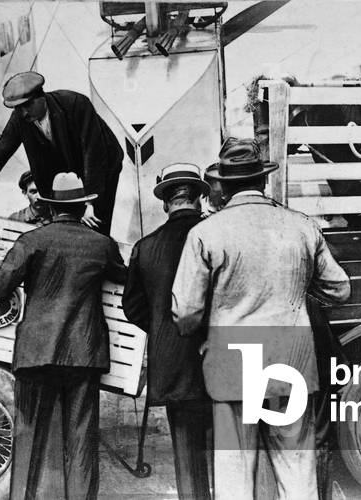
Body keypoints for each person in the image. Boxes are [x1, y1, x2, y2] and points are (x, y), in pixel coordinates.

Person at [172, 138, 351, 500]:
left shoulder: (205, 234)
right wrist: (298, 293)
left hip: (232, 368)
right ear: (264, 181)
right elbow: (339, 290)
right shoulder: (302, 227)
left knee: (235, 475)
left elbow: (185, 312)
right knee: (297, 470)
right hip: (292, 363)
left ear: (223, 185)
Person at [0, 172, 127, 500]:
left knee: (28, 437)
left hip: (36, 352)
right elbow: (126, 278)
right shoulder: (101, 244)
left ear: (49, 207)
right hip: (83, 352)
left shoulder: (31, 240)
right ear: (82, 207)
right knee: (81, 441)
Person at [0, 71, 124, 236]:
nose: (23, 113)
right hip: (63, 169)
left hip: (102, 167)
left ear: (42, 97)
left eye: (27, 106)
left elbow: (94, 156)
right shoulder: (20, 119)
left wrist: (90, 204)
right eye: (18, 108)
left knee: (95, 224)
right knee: (65, 224)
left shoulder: (75, 103)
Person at [123, 163, 213, 500]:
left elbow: (133, 306)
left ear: (165, 202)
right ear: (200, 197)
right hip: (218, 357)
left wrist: (164, 326)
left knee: (187, 456)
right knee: (228, 451)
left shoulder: (145, 248)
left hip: (172, 364)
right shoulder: (213, 235)